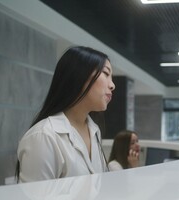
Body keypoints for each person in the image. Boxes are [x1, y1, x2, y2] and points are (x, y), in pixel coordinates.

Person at [17, 46, 115, 182]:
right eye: (106, 73)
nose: (112, 85)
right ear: (80, 74)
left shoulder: (94, 130)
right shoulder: (44, 137)